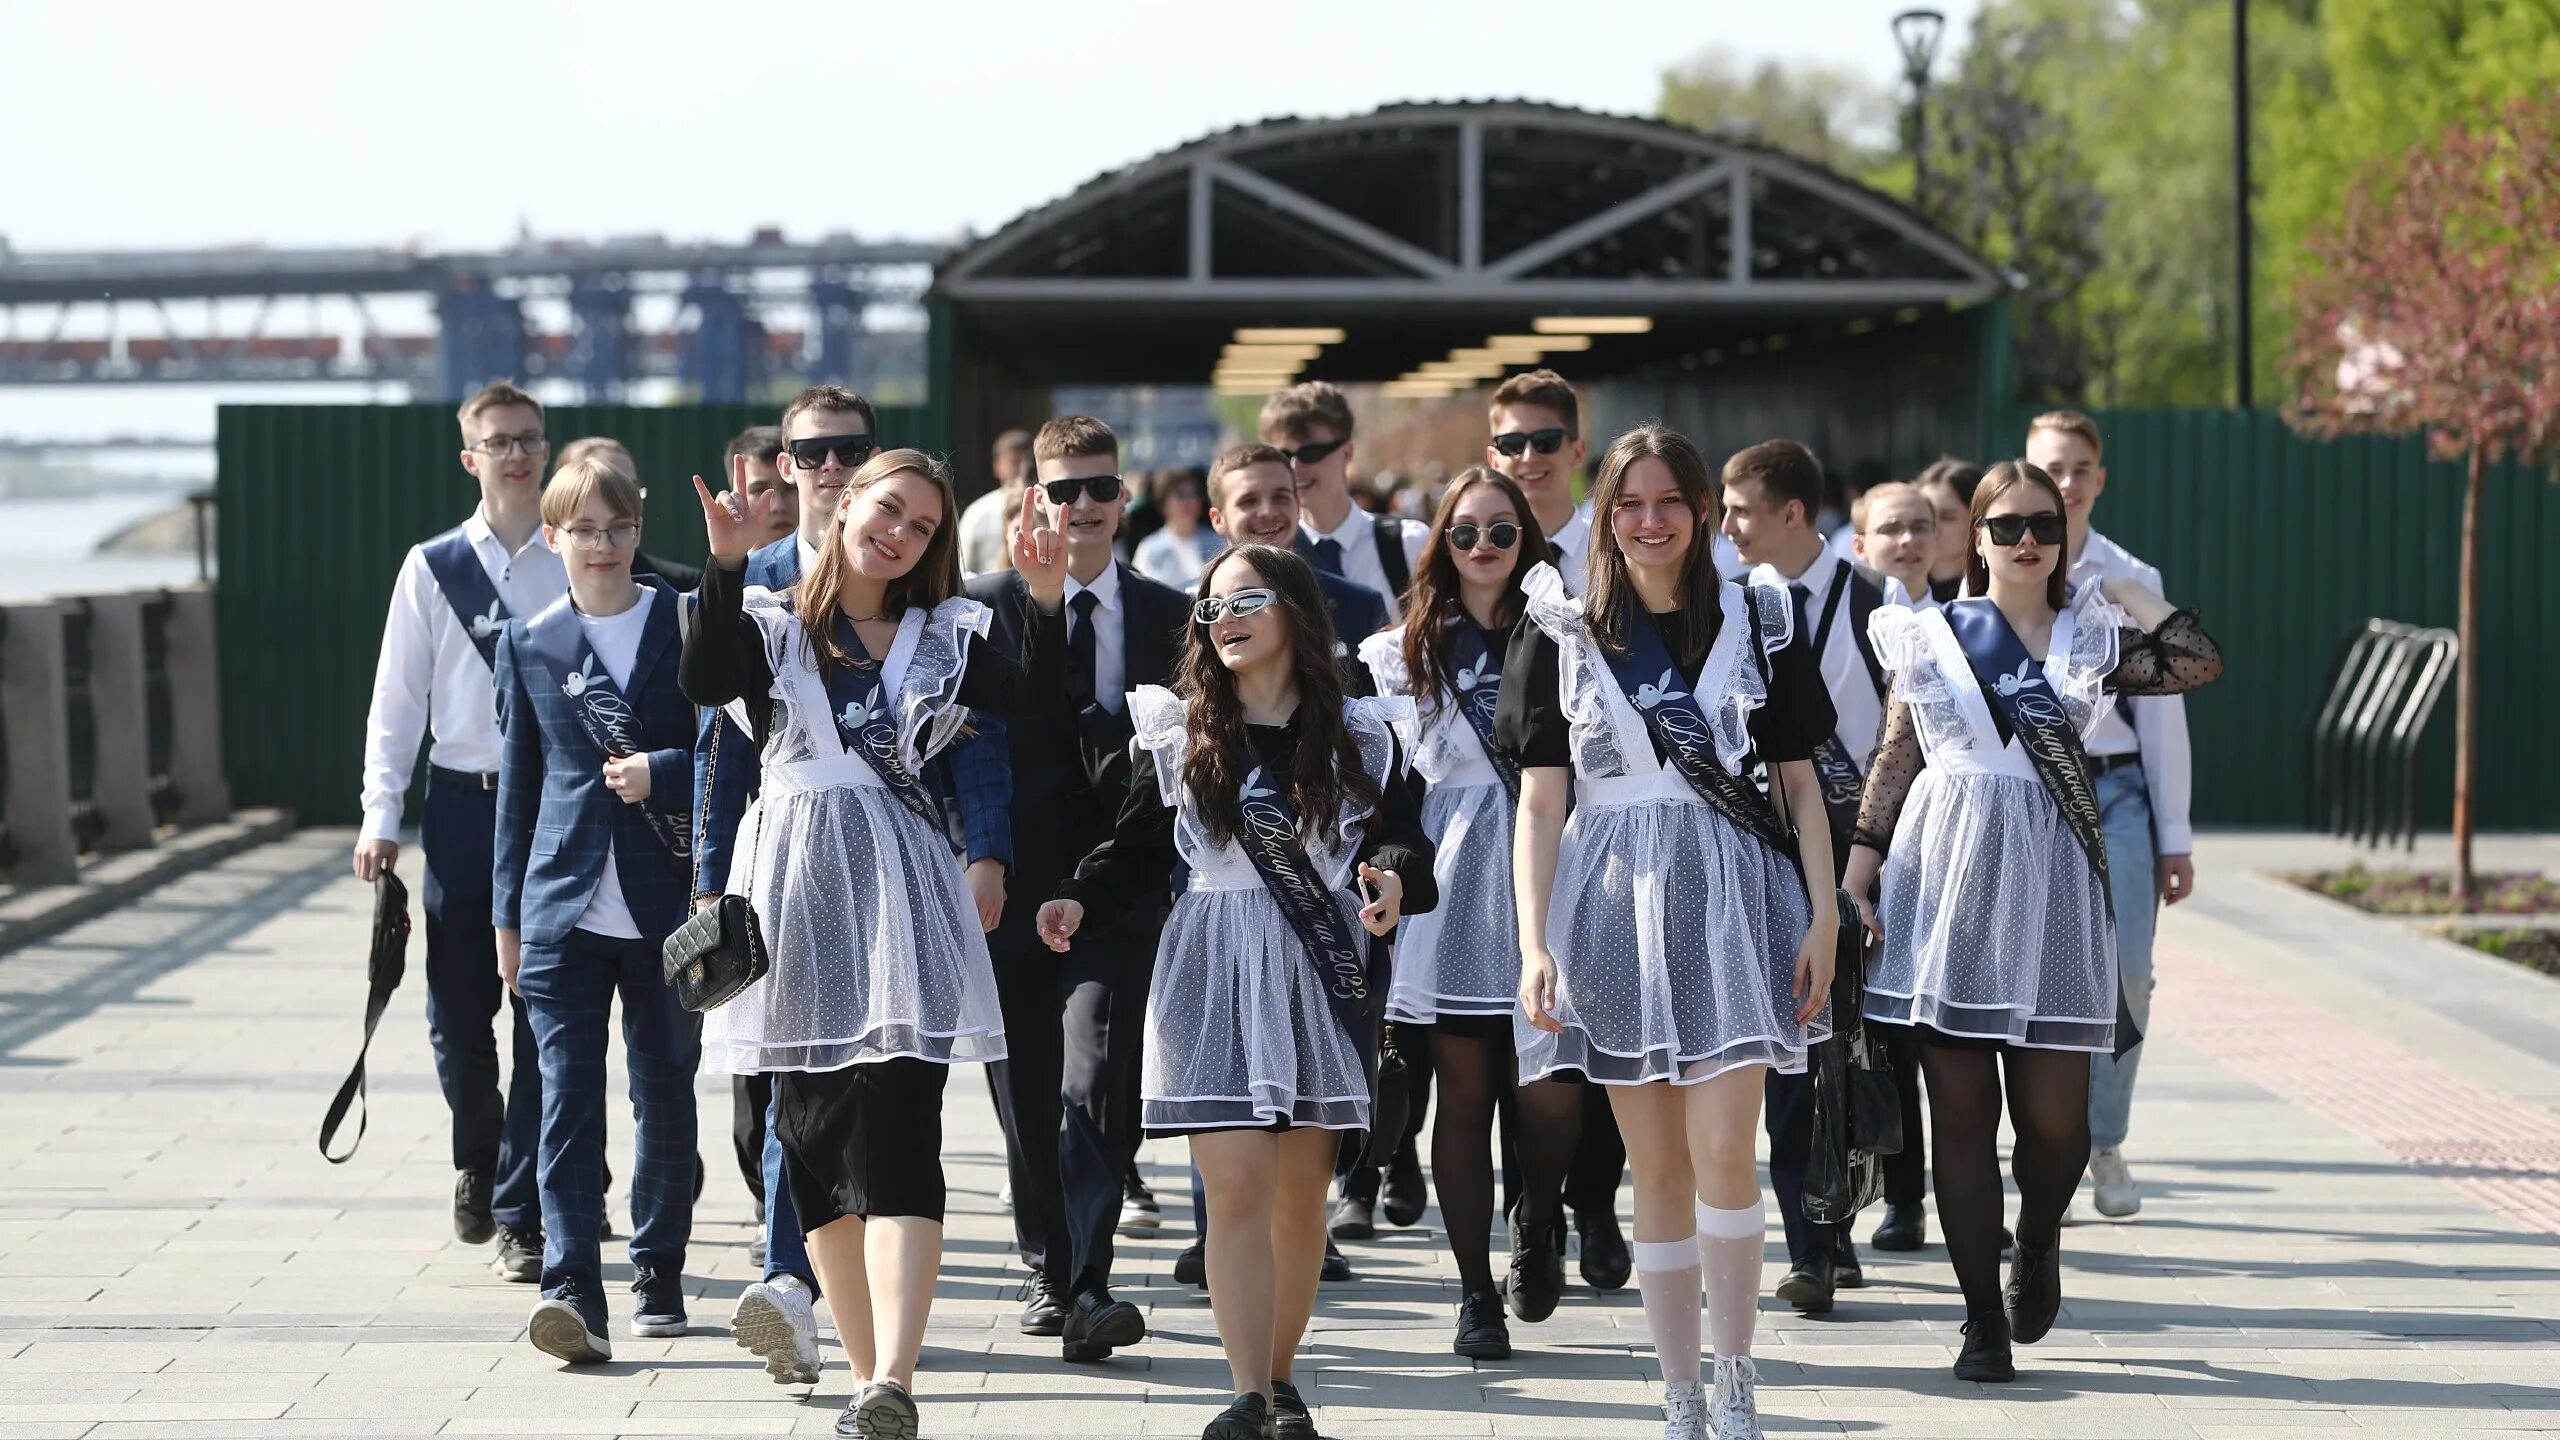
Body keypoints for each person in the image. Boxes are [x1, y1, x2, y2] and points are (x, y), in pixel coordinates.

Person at [681, 447, 1066, 1440]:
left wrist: (1049, 597)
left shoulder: (943, 636)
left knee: (902, 1125)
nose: (899, 532)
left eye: (922, 526)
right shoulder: (769, 627)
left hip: (901, 895)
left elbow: (1040, 706)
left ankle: (894, 1374)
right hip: (798, 892)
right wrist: (724, 565)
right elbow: (700, 675)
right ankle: (863, 1379)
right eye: (887, 509)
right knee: (808, 1142)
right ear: (845, 503)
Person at [1037, 543, 1436, 1440]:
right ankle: (1249, 1392)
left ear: (1295, 609)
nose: (1224, 620)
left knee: (1301, 1199)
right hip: (1210, 969)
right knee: (1237, 1192)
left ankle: (1284, 1381)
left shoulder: (1362, 736)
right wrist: (1076, 897)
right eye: (1211, 608)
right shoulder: (1181, 734)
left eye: (1246, 600)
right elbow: (1136, 852)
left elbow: (1405, 841)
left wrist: (1397, 881)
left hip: (1316, 969)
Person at [1842, 461, 2223, 1383]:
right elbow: (1896, 758)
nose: (2025, 543)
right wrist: (1858, 878)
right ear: (1972, 536)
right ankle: (1980, 1319)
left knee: (2056, 1126)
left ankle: (2040, 1234)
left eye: (2041, 527)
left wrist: (2132, 588)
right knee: (1961, 1116)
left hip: (2054, 879)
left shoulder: (2092, 633)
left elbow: (2197, 660)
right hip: (1947, 878)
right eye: (2005, 526)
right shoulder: (1929, 631)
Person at [1500, 422, 1841, 1440]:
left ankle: (1736, 1380)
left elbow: (1799, 783)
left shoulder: (1758, 615)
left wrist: (1823, 913)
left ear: (1701, 511)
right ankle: (1680, 1392)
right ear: (1607, 515)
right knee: (1656, 1169)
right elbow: (1537, 803)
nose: (1650, 522)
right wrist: (1532, 941)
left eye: (1669, 502)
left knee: (1725, 1148)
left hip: (1735, 898)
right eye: (1630, 504)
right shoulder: (1559, 626)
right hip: (1609, 901)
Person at [968, 416, 1191, 1362]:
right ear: (1034, 501)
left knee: (1101, 1076)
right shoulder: (980, 609)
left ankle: (1091, 1277)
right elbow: (974, 743)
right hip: (1010, 882)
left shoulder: (1174, 615)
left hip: (1120, 881)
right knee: (1023, 1086)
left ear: (1125, 495)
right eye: (1064, 491)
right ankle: (1045, 1266)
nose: (1084, 507)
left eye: (1101, 488)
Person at [1358, 467, 1580, 1362]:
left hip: (1553, 868)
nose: (1484, 547)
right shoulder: (1404, 649)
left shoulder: (1569, 632)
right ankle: (1475, 1292)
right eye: (1464, 533)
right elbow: (1387, 788)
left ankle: (1540, 1210)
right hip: (1452, 885)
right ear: (1439, 546)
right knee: (1466, 1091)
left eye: (1501, 531)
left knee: (1551, 1090)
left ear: (1528, 537)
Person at [487, 455, 700, 1363]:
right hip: (560, 908)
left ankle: (657, 1267)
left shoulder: (687, 624)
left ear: (638, 533)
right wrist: (506, 919)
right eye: (583, 530)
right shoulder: (531, 640)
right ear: (553, 538)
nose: (601, 546)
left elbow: (732, 755)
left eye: (616, 529)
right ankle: (572, 1288)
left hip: (666, 902)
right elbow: (518, 793)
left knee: (664, 1096)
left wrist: (664, 770)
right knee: (565, 1103)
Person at [355, 380, 564, 1282]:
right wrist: (379, 813)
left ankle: (523, 1203)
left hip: (560, 807)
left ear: (546, 448)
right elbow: (397, 700)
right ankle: (481, 1155)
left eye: (527, 438)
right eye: (497, 441)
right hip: (463, 803)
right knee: (456, 1010)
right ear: (469, 457)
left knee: (548, 1010)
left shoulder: (578, 554)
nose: (514, 454)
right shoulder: (431, 564)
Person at [1716, 440, 1887, 1318]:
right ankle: (1811, 1246)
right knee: (1788, 1051)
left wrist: (1868, 871)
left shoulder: (1877, 602)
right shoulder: (1728, 605)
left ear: (1793, 513)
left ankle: (1840, 1219)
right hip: (1759, 845)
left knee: (1841, 1053)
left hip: (1861, 849)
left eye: (1740, 509)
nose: (1726, 524)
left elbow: (1907, 741)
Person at [1482, 372, 1634, 1290]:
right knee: (1521, 1047)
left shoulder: (1617, 548)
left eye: (1546, 441)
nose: (1529, 458)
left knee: (1611, 1031)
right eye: (1512, 444)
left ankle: (1596, 1200)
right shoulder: (1473, 545)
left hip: (1610, 833)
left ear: (1578, 450)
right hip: (1500, 833)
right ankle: (1531, 1216)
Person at [2028, 411, 2198, 1220]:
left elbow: (2166, 716)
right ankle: (2038, 1146)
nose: (2064, 482)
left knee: (2127, 972)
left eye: (2078, 468)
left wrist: (2176, 835)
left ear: (2099, 478)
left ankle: (2104, 1137)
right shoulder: (2001, 564)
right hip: (2022, 790)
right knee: (2024, 972)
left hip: (2115, 791)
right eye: (2050, 466)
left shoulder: (2130, 575)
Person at [1840, 479, 1940, 1250]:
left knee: (1922, 1027)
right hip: (1845, 832)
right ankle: (1859, 1197)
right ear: (1860, 544)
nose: (1906, 542)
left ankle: (1915, 1195)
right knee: (1867, 1024)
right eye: (1890, 530)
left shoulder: (1967, 624)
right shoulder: (1834, 615)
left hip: (1937, 841)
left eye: (1920, 527)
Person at [1263, 381, 1427, 622]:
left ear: (1347, 452)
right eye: (1283, 455)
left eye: (1311, 453)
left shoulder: (1407, 544)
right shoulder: (1272, 556)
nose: (1296, 467)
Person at [552, 436, 702, 592]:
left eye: (631, 488)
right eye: (605, 487)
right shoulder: (540, 588)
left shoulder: (684, 590)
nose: (623, 499)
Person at [1852, 481, 1942, 615]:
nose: (1908, 539)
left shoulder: (1958, 625)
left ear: (1936, 539)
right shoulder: (1842, 626)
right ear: (1860, 547)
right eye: (1891, 529)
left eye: (1920, 528)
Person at [958, 428, 1035, 579]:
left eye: (1027, 463)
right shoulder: (978, 512)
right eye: (1015, 463)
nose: (1021, 470)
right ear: (997, 465)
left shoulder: (1051, 507)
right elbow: (962, 567)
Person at [1912, 458, 1985, 604]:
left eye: (1947, 517)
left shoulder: (1990, 593)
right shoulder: (1896, 587)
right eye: (1924, 517)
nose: (1932, 527)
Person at [1135, 467, 1223, 587]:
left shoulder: (1218, 542)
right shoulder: (1149, 548)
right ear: (1164, 503)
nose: (1190, 501)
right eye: (1181, 495)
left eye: (1194, 494)